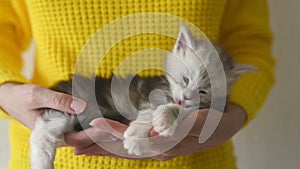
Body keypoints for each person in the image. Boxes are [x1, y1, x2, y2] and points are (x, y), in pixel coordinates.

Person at [0, 0, 275, 168]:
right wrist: (6, 90)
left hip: (198, 160)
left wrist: (232, 117)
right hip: (60, 154)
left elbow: (251, 46)